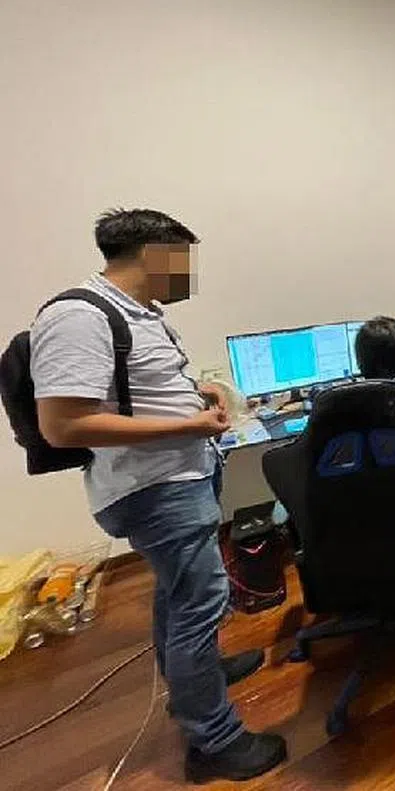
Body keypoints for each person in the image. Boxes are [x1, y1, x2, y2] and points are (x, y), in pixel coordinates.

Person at [30, 209, 286, 784]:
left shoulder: (141, 314)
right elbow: (63, 425)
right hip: (154, 489)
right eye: (183, 261)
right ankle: (215, 741)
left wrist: (195, 394)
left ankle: (196, 678)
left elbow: (137, 392)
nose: (190, 275)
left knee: (179, 594)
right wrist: (189, 426)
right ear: (153, 254)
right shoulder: (78, 316)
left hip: (181, 476)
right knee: (201, 602)